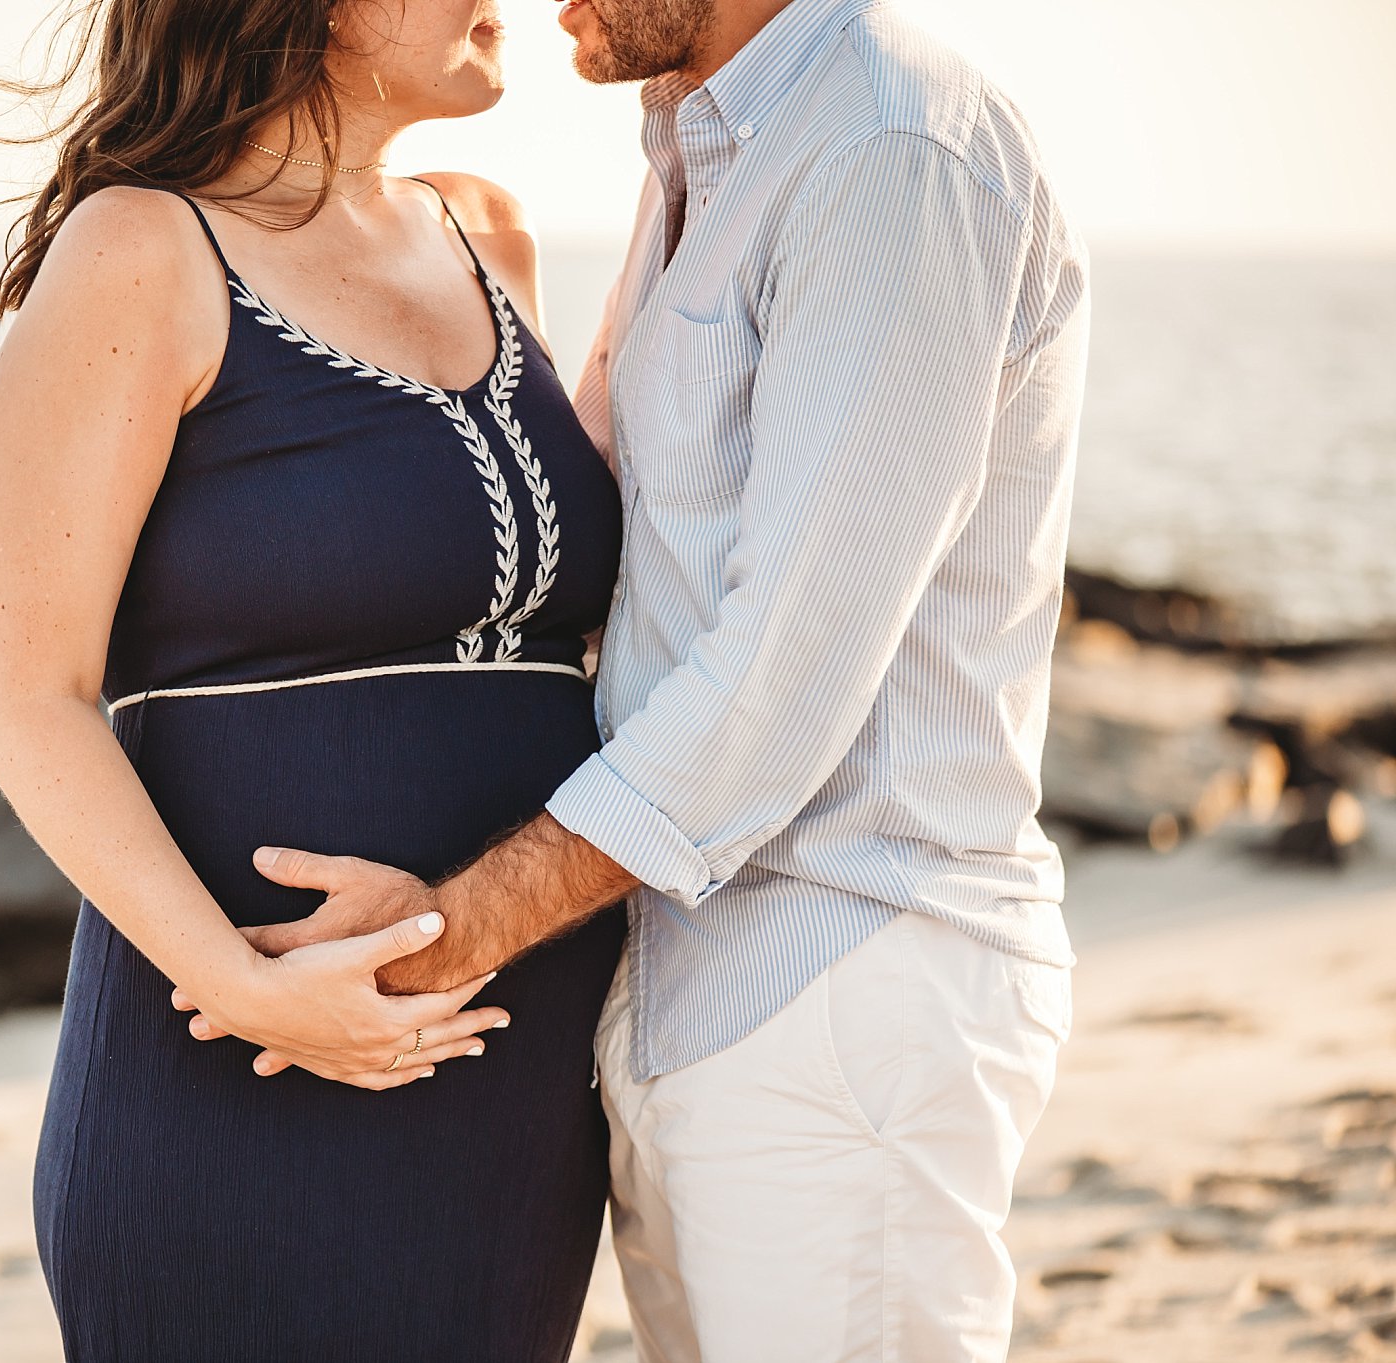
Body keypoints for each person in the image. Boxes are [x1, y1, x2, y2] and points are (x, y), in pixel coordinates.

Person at [184, 0, 1094, 1357]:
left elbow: (780, 680)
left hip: (843, 982)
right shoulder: (707, 149)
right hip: (678, 985)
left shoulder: (885, 153)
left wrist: (447, 931)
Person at [0, 0, 629, 1356]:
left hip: (511, 1080)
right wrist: (246, 985)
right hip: (235, 1076)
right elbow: (23, 695)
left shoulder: (486, 230)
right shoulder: (143, 247)